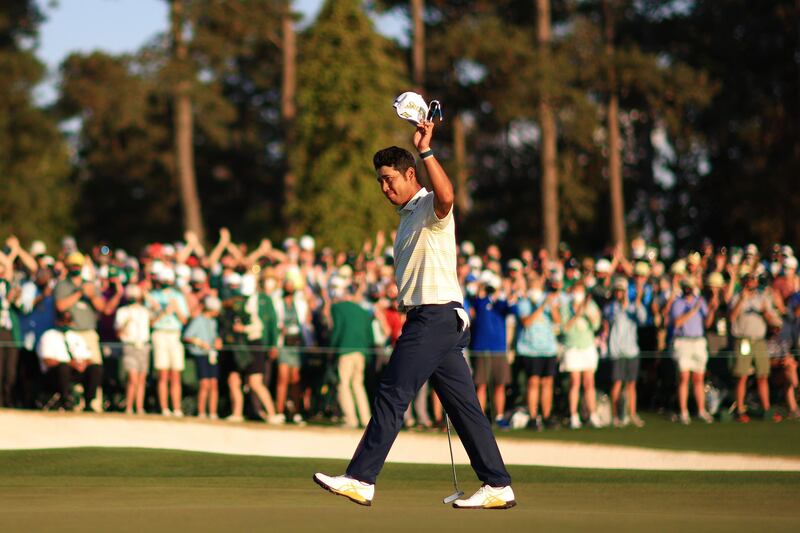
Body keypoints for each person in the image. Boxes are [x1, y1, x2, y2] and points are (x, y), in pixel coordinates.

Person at [314, 120, 514, 509]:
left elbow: (447, 195)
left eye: (390, 179)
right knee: (462, 408)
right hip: (439, 318)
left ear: (410, 175)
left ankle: (361, 478)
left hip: (435, 317)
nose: (385, 187)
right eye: (380, 182)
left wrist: (425, 150)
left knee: (392, 393)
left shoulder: (427, 205)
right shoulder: (407, 216)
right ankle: (498, 484)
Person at [54, 252, 105, 411]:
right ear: (68, 267)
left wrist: (91, 295)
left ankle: (92, 403)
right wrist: (79, 293)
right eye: (73, 265)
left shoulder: (90, 284)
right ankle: (73, 402)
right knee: (73, 368)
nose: (76, 268)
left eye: (78, 265)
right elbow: (61, 306)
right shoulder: (63, 285)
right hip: (71, 333)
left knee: (95, 367)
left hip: (89, 332)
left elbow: (102, 307)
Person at [729, 272, 781, 422]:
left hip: (759, 340)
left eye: (754, 279)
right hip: (743, 340)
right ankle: (739, 409)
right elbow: (731, 317)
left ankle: (766, 409)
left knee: (763, 375)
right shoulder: (737, 297)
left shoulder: (762, 298)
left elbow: (772, 320)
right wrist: (742, 300)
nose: (752, 282)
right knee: (742, 375)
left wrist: (765, 312)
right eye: (749, 279)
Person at [514, 281, 560, 430]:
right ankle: (533, 417)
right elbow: (526, 322)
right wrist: (541, 307)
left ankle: (546, 416)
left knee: (547, 383)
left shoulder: (548, 302)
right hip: (530, 350)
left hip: (548, 349)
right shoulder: (524, 303)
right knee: (533, 383)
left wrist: (550, 305)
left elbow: (558, 321)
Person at [667, 278, 713, 424]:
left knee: (699, 378)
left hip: (698, 341)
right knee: (684, 378)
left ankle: (701, 410)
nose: (688, 289)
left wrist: (711, 309)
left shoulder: (700, 301)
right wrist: (693, 310)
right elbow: (678, 322)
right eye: (686, 287)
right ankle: (683, 411)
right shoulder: (678, 303)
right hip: (683, 341)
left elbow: (707, 323)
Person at [603, 277, 647, 427]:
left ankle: (632, 413)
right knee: (617, 383)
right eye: (618, 291)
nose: (620, 294)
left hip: (631, 351)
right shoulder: (611, 308)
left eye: (622, 291)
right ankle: (615, 416)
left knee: (631, 385)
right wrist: (624, 306)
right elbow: (610, 317)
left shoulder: (634, 307)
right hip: (616, 351)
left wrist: (638, 302)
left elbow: (642, 319)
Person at [329, 283, 374, 429]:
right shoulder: (363, 311)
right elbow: (370, 336)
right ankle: (365, 419)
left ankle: (351, 419)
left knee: (344, 385)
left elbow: (337, 330)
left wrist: (332, 349)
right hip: (361, 352)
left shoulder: (337, 308)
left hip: (345, 350)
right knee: (358, 385)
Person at [146, 268, 189, 417]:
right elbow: (150, 322)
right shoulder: (152, 296)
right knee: (162, 374)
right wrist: (163, 312)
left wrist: (175, 309)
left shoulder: (178, 297)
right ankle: (164, 408)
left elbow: (184, 320)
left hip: (174, 334)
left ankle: (176, 408)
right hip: (160, 333)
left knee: (176, 374)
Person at [36, 311, 99, 410]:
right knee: (64, 368)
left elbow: (88, 358)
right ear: (58, 321)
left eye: (69, 321)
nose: (66, 323)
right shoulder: (48, 336)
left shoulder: (75, 336)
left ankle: (89, 403)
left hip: (75, 371)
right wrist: (70, 364)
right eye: (64, 320)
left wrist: (82, 364)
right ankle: (65, 401)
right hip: (55, 374)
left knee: (95, 368)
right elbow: (47, 361)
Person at [561, 281, 603, 429]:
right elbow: (564, 328)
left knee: (589, 382)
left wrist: (585, 311)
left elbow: (596, 325)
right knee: (575, 382)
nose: (577, 294)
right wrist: (576, 314)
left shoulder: (591, 306)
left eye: (580, 291)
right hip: (572, 347)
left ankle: (592, 414)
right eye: (575, 291)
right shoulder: (566, 307)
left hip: (587, 346)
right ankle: (573, 415)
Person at [183, 296, 223, 419]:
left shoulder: (213, 322)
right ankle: (201, 412)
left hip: (212, 355)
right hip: (201, 354)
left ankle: (213, 412)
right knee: (204, 383)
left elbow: (215, 336)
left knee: (214, 383)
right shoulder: (198, 320)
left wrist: (217, 341)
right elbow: (187, 336)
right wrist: (200, 343)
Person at [114, 284, 151, 415]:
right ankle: (129, 407)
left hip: (143, 345)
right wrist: (126, 323)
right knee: (132, 378)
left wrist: (147, 296)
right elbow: (118, 332)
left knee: (141, 379)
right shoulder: (122, 311)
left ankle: (139, 407)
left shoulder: (144, 311)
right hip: (129, 346)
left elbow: (158, 311)